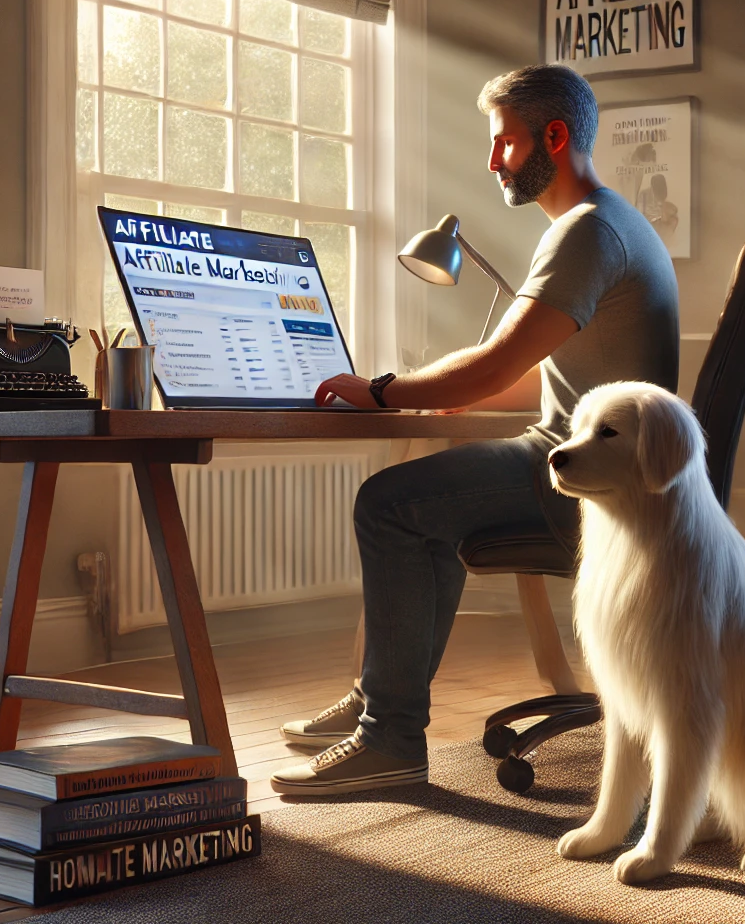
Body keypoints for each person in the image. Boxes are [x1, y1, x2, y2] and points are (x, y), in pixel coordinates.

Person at [269, 63, 680, 796]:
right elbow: (538, 367)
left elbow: (492, 366)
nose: (493, 161)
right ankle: (380, 698)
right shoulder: (615, 222)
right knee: (435, 499)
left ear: (554, 137)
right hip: (610, 475)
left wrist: (382, 390)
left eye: (505, 144)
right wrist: (445, 394)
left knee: (388, 504)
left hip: (578, 483)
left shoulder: (585, 233)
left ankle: (389, 738)